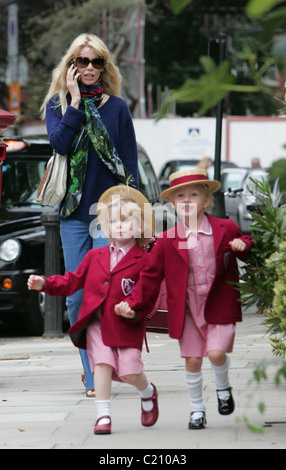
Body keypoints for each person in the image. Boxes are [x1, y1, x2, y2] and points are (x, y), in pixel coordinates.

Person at [115, 169, 254, 430]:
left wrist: (242, 246)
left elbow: (246, 243)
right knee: (192, 360)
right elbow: (150, 277)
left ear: (207, 200)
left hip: (219, 304)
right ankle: (197, 410)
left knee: (215, 353)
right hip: (188, 309)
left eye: (194, 194)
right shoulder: (168, 240)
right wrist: (132, 303)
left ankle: (223, 387)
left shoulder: (224, 228)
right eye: (180, 196)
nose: (187, 200)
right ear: (173, 204)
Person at [40, 33, 138, 397]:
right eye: (83, 61)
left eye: (97, 62)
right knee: (77, 297)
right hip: (72, 213)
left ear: (105, 66)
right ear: (71, 66)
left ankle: (106, 368)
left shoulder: (118, 108)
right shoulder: (58, 105)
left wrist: (135, 211)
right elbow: (60, 144)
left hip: (109, 213)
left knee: (106, 289)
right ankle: (91, 370)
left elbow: (129, 164)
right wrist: (76, 102)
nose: (90, 68)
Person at [27, 185, 159, 435]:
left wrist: (133, 308)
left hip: (127, 324)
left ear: (140, 227)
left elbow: (148, 293)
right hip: (97, 324)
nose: (120, 226)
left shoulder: (144, 260)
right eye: (114, 222)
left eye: (127, 221)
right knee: (102, 365)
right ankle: (103, 416)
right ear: (105, 227)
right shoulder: (95, 256)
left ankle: (148, 392)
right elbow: (72, 281)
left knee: (130, 372)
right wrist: (45, 283)